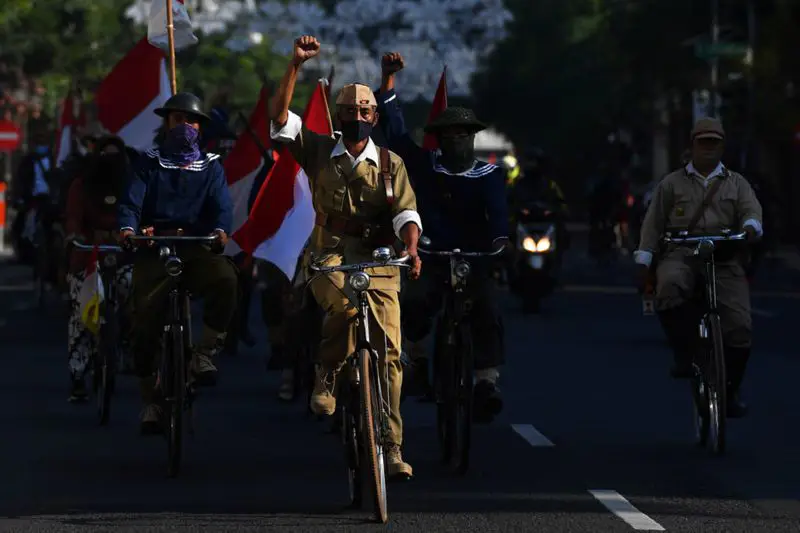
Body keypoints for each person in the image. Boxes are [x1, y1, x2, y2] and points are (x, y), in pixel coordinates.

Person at [270, 36, 422, 479]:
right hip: (330, 256)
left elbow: (407, 213)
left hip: (378, 259)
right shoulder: (318, 149)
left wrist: (411, 247)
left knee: (391, 356)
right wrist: (295, 67)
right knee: (344, 308)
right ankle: (328, 375)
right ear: (337, 117)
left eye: (365, 112)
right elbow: (280, 119)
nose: (358, 118)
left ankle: (391, 448)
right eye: (350, 112)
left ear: (375, 117)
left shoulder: (392, 164)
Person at [377, 52, 508, 421]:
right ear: (437, 139)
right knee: (416, 301)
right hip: (432, 254)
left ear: (472, 138)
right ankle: (417, 360)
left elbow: (498, 216)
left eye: (462, 134)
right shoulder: (424, 165)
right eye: (447, 135)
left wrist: (500, 242)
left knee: (487, 309)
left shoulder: (489, 176)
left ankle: (486, 380)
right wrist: (388, 80)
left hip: (475, 257)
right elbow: (396, 131)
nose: (455, 140)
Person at [117, 92, 238, 434]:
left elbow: (222, 207)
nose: (185, 126)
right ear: (166, 123)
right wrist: (129, 230)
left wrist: (219, 231)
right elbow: (130, 204)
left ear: (201, 127)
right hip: (155, 246)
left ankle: (204, 351)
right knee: (143, 321)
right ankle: (151, 401)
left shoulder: (212, 165)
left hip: (196, 245)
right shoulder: (147, 163)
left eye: (192, 120)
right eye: (178, 119)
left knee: (226, 279)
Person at [635, 117, 762, 418]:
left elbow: (751, 211)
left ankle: (729, 391)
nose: (708, 148)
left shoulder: (737, 183)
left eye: (714, 142)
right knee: (669, 286)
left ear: (722, 146)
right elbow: (652, 225)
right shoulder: (671, 184)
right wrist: (644, 259)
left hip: (724, 257)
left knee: (741, 328)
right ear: (692, 145)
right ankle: (684, 352)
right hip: (682, 253)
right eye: (703, 142)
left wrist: (751, 226)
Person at [64, 136, 134, 402]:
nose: (110, 163)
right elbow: (73, 219)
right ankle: (78, 374)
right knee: (81, 311)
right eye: (106, 156)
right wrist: (77, 237)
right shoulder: (81, 187)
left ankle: (128, 345)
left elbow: (139, 217)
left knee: (134, 289)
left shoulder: (132, 186)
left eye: (116, 156)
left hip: (123, 256)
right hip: (88, 258)